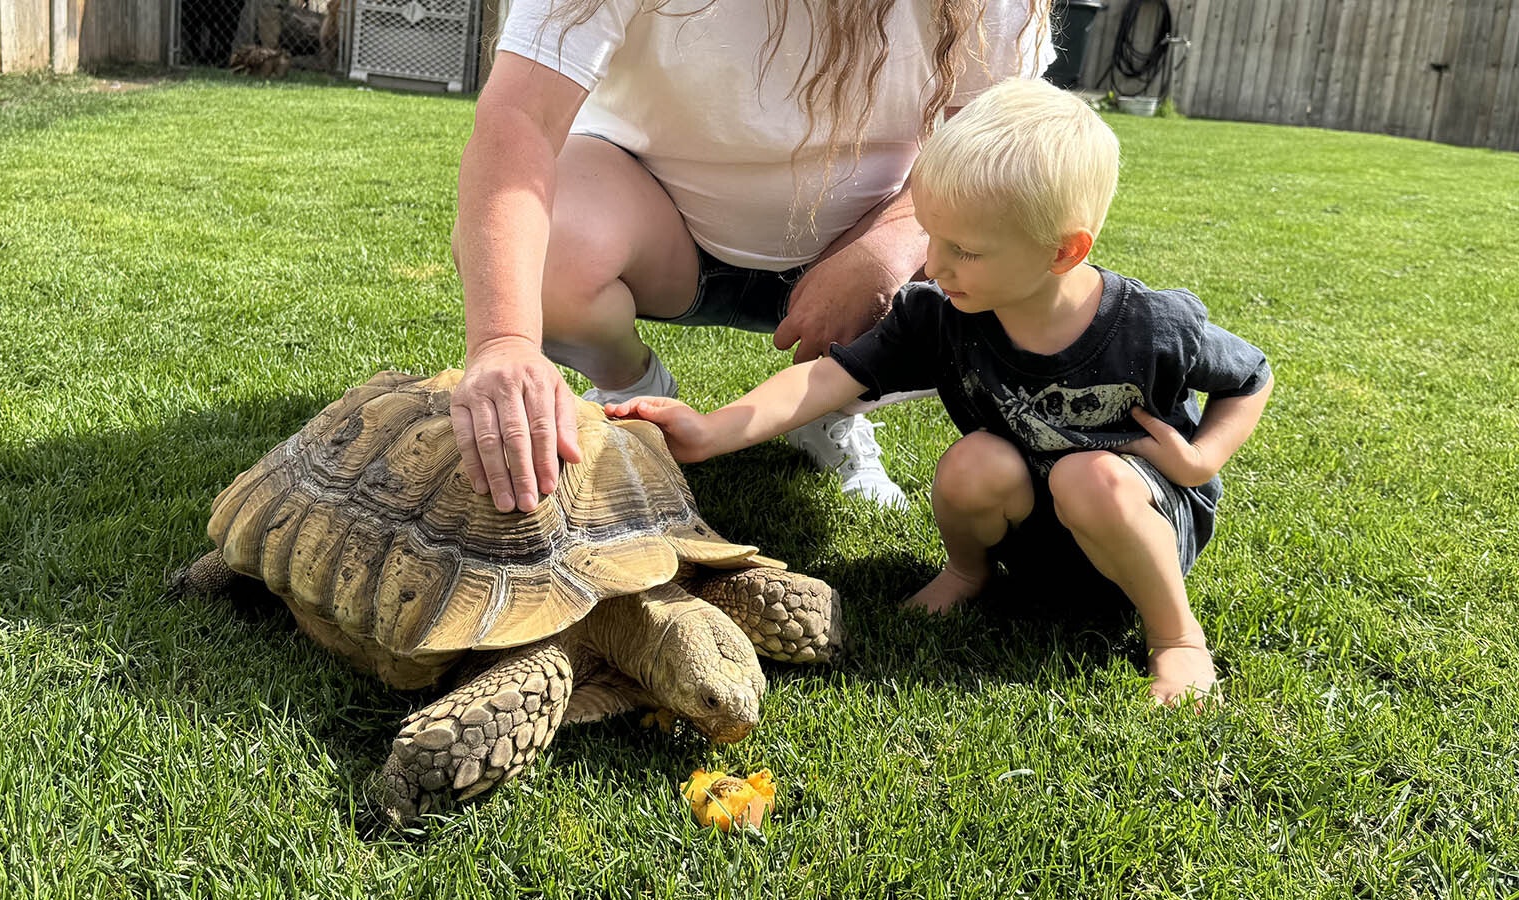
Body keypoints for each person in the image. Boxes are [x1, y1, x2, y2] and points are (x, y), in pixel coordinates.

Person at [605, 78, 1274, 705]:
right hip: (1036, 533)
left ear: (1064, 252)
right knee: (972, 463)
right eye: (930, 234)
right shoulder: (942, 312)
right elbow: (829, 377)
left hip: (1135, 523)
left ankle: (1177, 635)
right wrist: (713, 429)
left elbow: (1250, 377)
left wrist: (1201, 459)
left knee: (1088, 475)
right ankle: (967, 572)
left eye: (966, 249)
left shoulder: (1149, 325)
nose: (936, 263)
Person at [443, 0, 1057, 515]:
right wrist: (504, 340)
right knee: (546, 247)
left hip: (871, 229)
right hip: (658, 224)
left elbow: (994, 144)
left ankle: (834, 406)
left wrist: (885, 250)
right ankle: (631, 387)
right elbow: (519, 117)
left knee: (1014, 247)